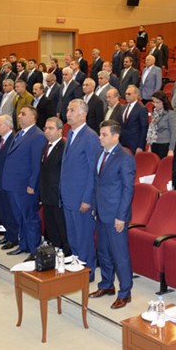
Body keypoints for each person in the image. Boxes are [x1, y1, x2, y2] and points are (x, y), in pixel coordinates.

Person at [90, 120, 136, 309]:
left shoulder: (125, 158)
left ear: (116, 136)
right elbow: (97, 183)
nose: (100, 137)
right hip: (101, 212)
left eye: (104, 134)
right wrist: (95, 207)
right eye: (100, 134)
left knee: (120, 255)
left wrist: (121, 217)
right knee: (103, 252)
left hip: (116, 214)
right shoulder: (100, 153)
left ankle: (125, 293)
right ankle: (106, 284)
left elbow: (128, 189)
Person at [61, 99, 102, 280]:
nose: (67, 114)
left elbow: (94, 171)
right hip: (68, 195)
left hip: (81, 198)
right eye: (67, 110)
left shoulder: (90, 137)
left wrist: (87, 199)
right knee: (73, 237)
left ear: (83, 114)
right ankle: (77, 268)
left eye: (72, 110)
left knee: (84, 238)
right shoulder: (70, 133)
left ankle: (87, 272)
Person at [3, 106, 47, 261]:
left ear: (33, 117)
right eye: (19, 113)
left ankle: (35, 250)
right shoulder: (20, 133)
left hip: (25, 185)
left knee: (30, 217)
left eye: (23, 114)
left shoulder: (37, 136)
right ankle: (24, 245)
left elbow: (36, 164)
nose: (19, 116)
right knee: (20, 216)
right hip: (14, 183)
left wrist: (32, 185)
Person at [39, 117, 70, 255]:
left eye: (51, 128)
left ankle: (66, 254)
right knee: (51, 228)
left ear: (60, 131)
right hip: (47, 194)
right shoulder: (45, 147)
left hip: (58, 195)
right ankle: (55, 253)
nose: (47, 131)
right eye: (45, 128)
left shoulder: (64, 147)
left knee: (61, 228)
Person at [0, 115, 19, 250]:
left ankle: (13, 237)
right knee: (3, 209)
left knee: (10, 211)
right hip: (0, 180)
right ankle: (7, 234)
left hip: (8, 181)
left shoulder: (14, 140)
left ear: (8, 126)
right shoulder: (2, 140)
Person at [146, 91, 176, 159]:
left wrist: (171, 149)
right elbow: (152, 130)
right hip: (154, 143)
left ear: (164, 102)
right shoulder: (154, 113)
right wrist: (150, 146)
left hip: (164, 144)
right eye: (153, 102)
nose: (155, 104)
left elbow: (174, 132)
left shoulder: (170, 114)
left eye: (157, 102)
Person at [120, 86, 148, 154]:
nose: (126, 96)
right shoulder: (123, 107)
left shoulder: (142, 109)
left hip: (134, 144)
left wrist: (140, 146)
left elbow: (144, 128)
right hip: (123, 143)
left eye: (129, 94)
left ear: (136, 95)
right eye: (126, 94)